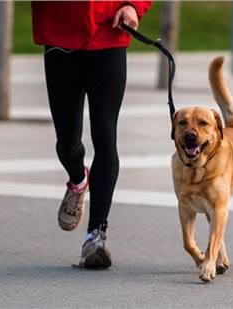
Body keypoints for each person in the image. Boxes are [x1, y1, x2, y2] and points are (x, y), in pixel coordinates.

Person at [31, 1, 152, 269]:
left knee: (106, 136)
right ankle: (77, 179)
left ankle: (96, 235)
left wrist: (134, 6)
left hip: (109, 35)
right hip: (60, 36)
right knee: (67, 143)